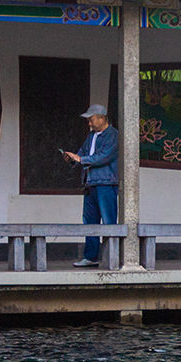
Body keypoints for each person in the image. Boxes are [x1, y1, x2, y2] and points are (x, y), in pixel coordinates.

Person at [63, 104, 118, 268]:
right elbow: (83, 153)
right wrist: (73, 158)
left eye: (91, 120)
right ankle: (91, 256)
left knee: (109, 221)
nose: (89, 123)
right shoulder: (91, 136)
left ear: (102, 118)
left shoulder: (113, 135)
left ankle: (112, 258)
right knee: (89, 222)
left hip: (106, 183)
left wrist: (82, 159)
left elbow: (103, 157)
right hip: (90, 182)